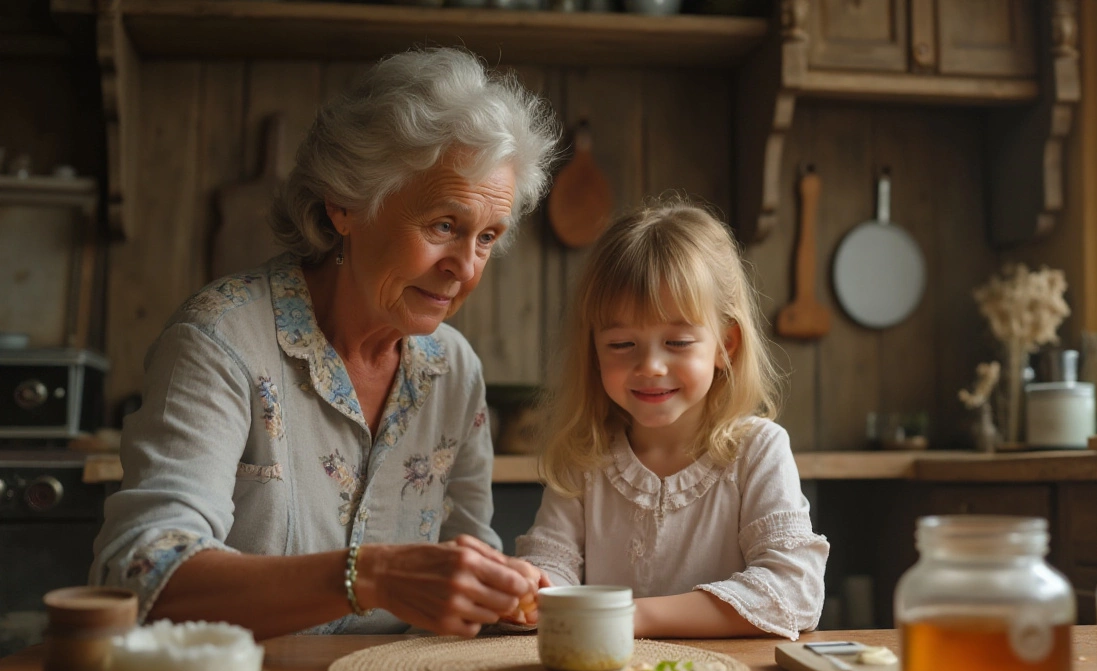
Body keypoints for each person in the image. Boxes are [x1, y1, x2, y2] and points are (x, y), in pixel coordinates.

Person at [90, 48, 560, 639]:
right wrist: (373, 576)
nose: (465, 268)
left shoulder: (454, 369)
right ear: (346, 204)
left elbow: (466, 558)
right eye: (444, 225)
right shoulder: (221, 339)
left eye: (487, 237)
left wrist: (503, 591)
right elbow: (140, 577)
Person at [516, 200, 829, 640]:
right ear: (594, 351)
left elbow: (794, 593)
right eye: (622, 344)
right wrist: (530, 590)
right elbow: (552, 569)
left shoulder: (757, 451)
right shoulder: (584, 457)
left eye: (678, 342)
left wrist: (630, 616)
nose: (651, 366)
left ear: (727, 345)